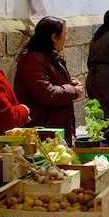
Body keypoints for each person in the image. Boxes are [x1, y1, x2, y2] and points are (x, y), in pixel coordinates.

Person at [14, 16, 85, 144]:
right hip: (42, 128)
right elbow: (46, 92)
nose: (66, 38)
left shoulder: (48, 57)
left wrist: (70, 83)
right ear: (54, 37)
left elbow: (51, 81)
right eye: (65, 34)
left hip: (53, 126)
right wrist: (72, 90)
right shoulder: (33, 60)